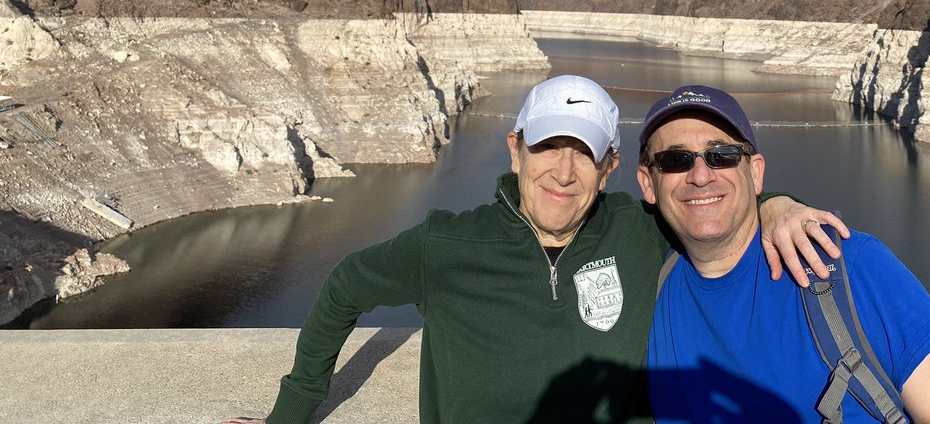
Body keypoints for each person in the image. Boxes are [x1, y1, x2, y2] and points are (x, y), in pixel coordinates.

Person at [222, 75, 847, 424]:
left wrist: (776, 205)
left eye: (584, 154)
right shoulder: (446, 244)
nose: (564, 173)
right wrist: (290, 415)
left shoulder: (639, 229)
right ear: (516, 150)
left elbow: (714, 203)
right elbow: (343, 288)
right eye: (548, 147)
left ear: (609, 168)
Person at [637, 84, 930, 424]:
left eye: (721, 155)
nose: (700, 176)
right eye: (675, 160)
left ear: (755, 173)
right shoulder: (650, 282)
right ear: (648, 184)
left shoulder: (852, 265)